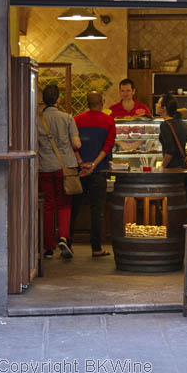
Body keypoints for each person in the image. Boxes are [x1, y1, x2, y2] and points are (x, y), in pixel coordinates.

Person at [70, 91, 116, 257]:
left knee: (74, 208)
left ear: (87, 103)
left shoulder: (76, 120)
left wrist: (82, 163)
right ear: (102, 102)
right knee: (97, 210)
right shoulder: (109, 120)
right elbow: (108, 145)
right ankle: (96, 247)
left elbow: (72, 145)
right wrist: (94, 164)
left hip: (80, 171)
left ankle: (67, 243)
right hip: (99, 171)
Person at [38, 84, 81, 260]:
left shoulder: (37, 120)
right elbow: (77, 144)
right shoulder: (67, 118)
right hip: (65, 168)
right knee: (64, 204)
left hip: (45, 167)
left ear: (43, 101)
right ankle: (63, 237)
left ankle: (48, 247)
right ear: (58, 99)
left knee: (48, 206)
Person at [156, 94, 187, 222]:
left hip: (171, 173)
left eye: (158, 103)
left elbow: (170, 151)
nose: (156, 105)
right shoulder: (181, 123)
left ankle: (171, 237)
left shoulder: (165, 125)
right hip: (184, 170)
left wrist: (162, 167)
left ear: (164, 108)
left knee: (169, 205)